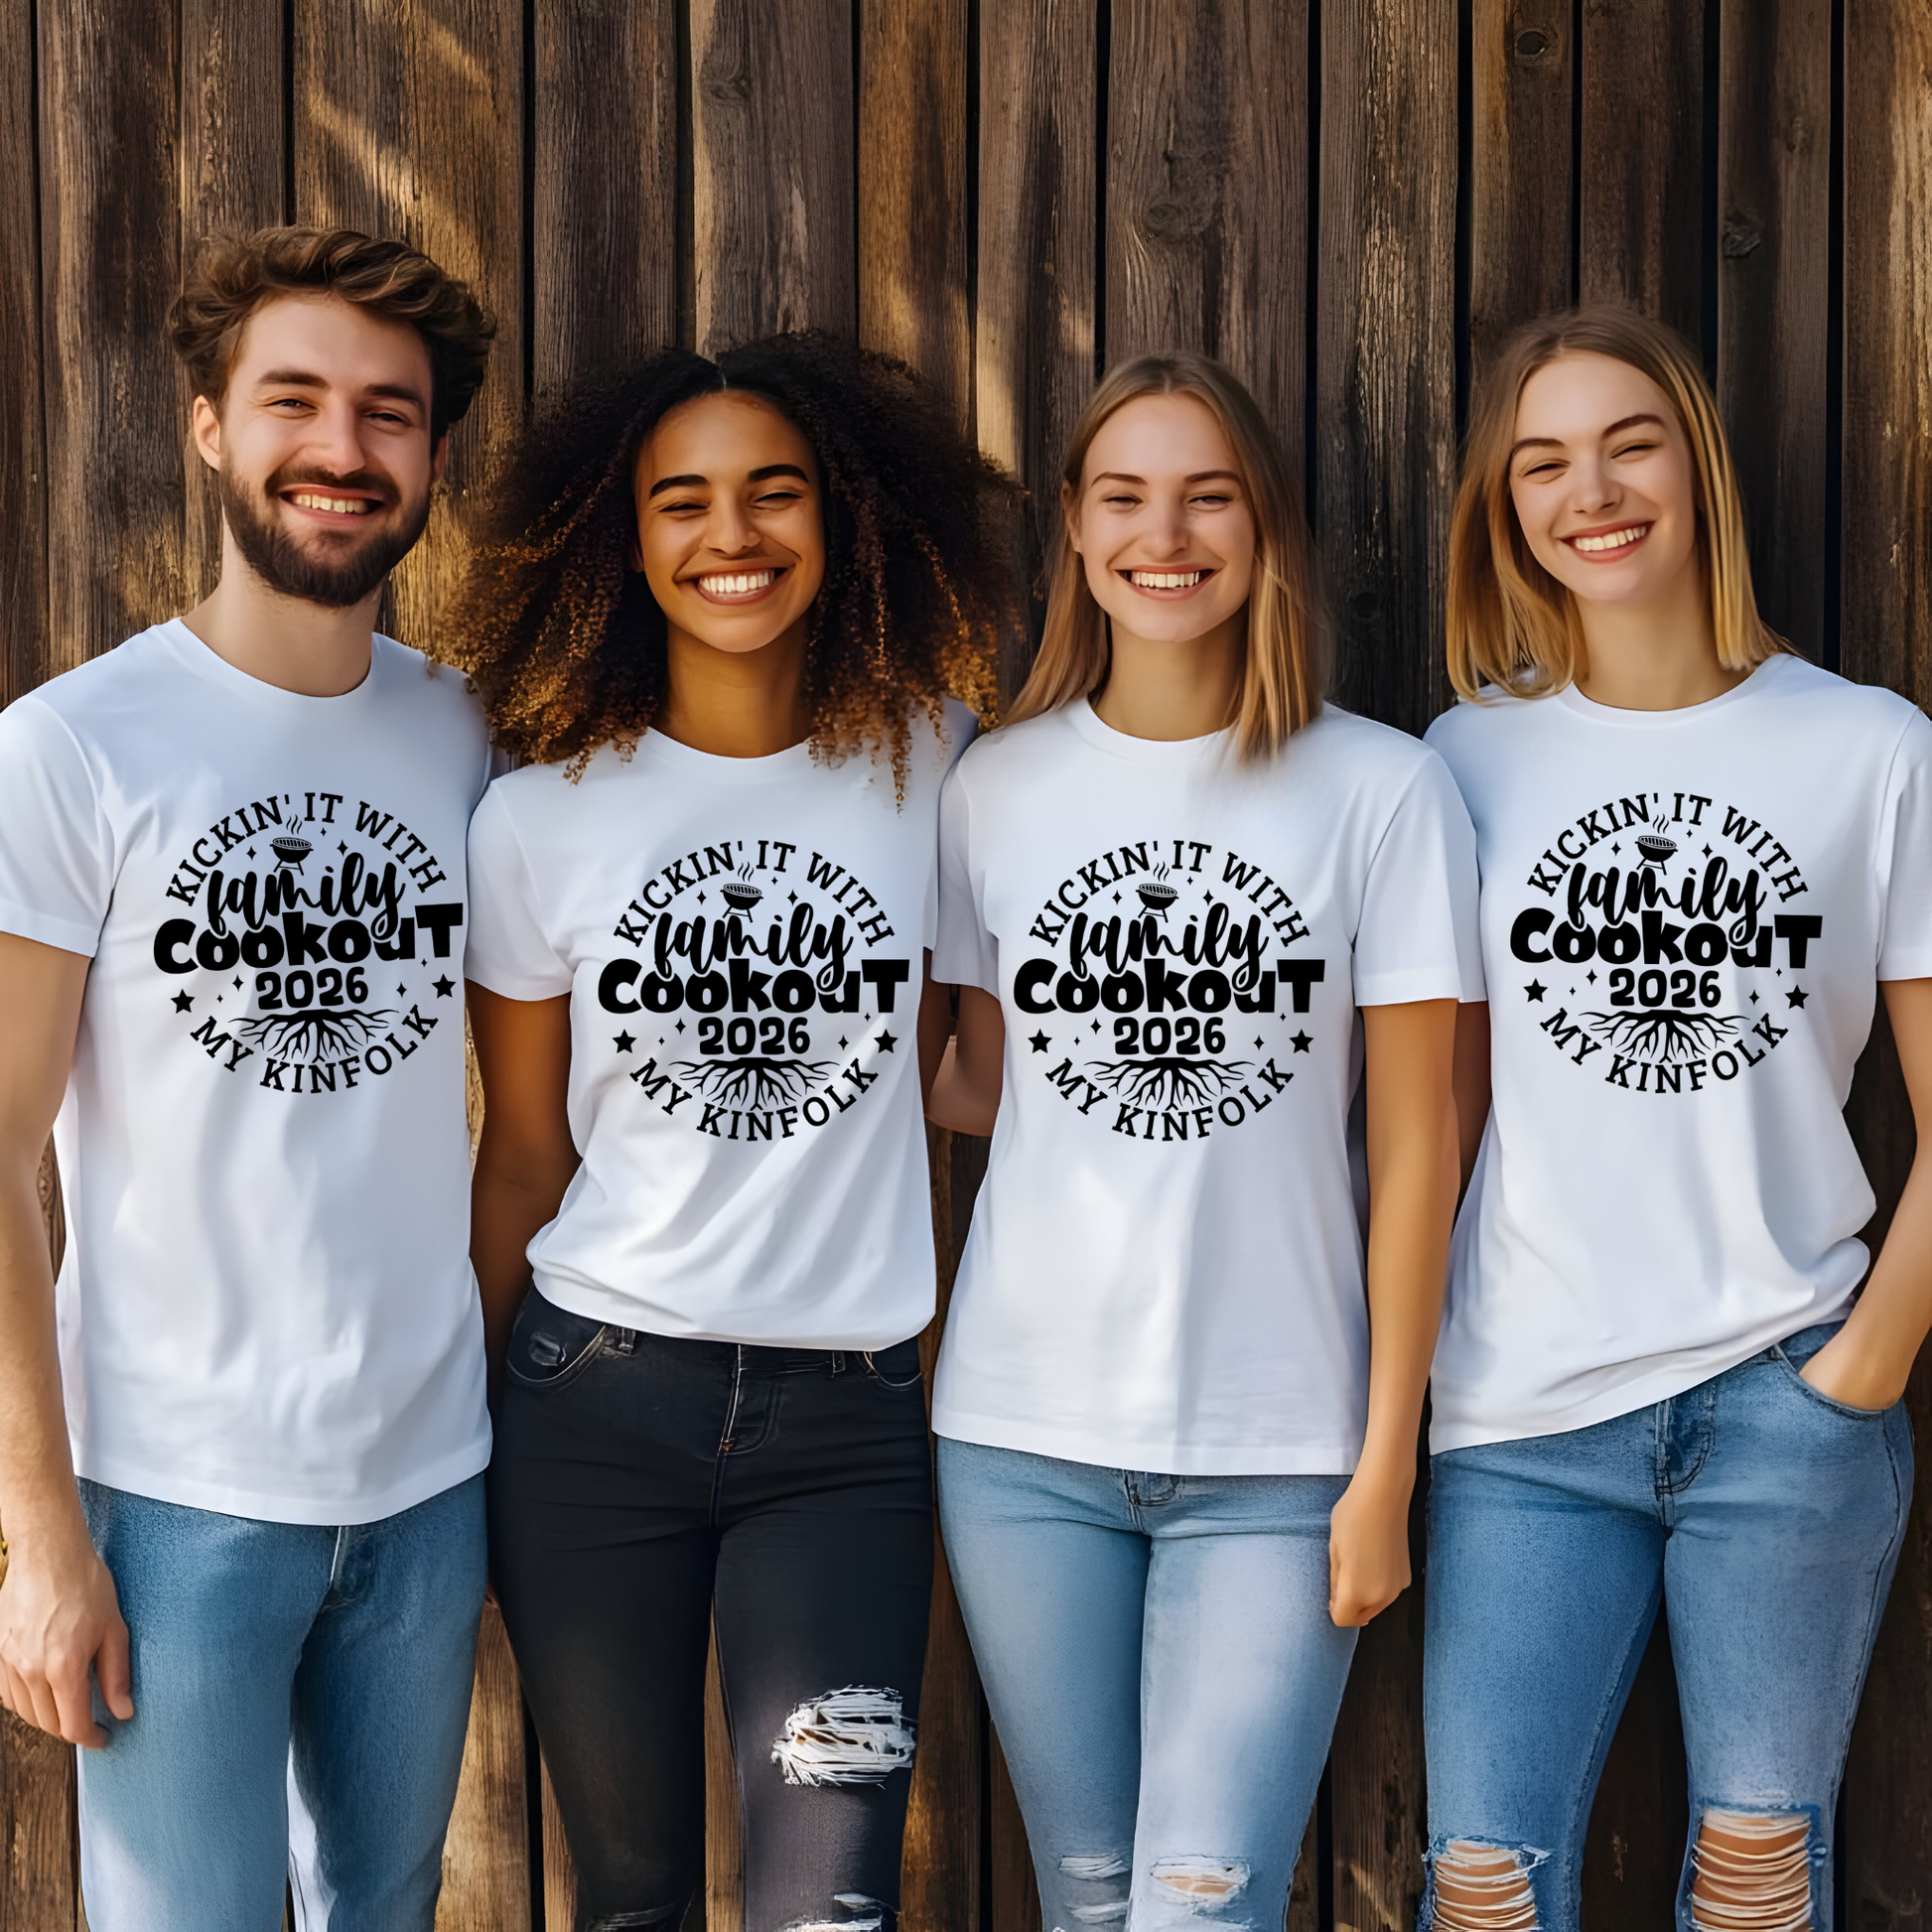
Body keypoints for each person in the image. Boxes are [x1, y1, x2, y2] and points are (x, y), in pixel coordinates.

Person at [447, 336, 1015, 1931]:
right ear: (623, 541)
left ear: (842, 521)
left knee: (827, 1909)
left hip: (846, 1433)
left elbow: (965, 1063)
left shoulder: (941, 763)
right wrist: (467, 1424)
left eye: (774, 493)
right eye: (680, 501)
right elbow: (521, 1157)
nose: (730, 534)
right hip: (589, 1406)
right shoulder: (541, 810)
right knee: (628, 1900)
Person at [924, 351, 1480, 1929]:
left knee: (1200, 1904)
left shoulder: (1379, 789)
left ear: (1262, 529)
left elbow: (1418, 1145)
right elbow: (982, 1080)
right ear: (1077, 534)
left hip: (1282, 1452)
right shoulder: (992, 787)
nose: (1164, 533)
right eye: (1123, 496)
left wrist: (1382, 1462)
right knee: (1089, 1897)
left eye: (1206, 495)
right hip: (1023, 1442)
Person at [0, 227, 496, 1926]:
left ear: (432, 456)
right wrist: (40, 1536)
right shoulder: (75, 746)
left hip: (430, 1482)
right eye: (293, 399)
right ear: (210, 424)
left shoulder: (471, 736)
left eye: (388, 413)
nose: (342, 450)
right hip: (171, 1493)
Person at [1421, 308, 1932, 1932]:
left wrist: (1864, 1364)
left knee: (1755, 1887)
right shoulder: (1464, 758)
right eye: (1543, 460)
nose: (1593, 490)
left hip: (1789, 1392)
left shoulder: (1865, 747)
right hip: (1521, 1415)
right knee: (1485, 1884)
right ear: (1505, 509)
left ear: (1693, 465)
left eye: (1628, 442)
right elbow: (1437, 1116)